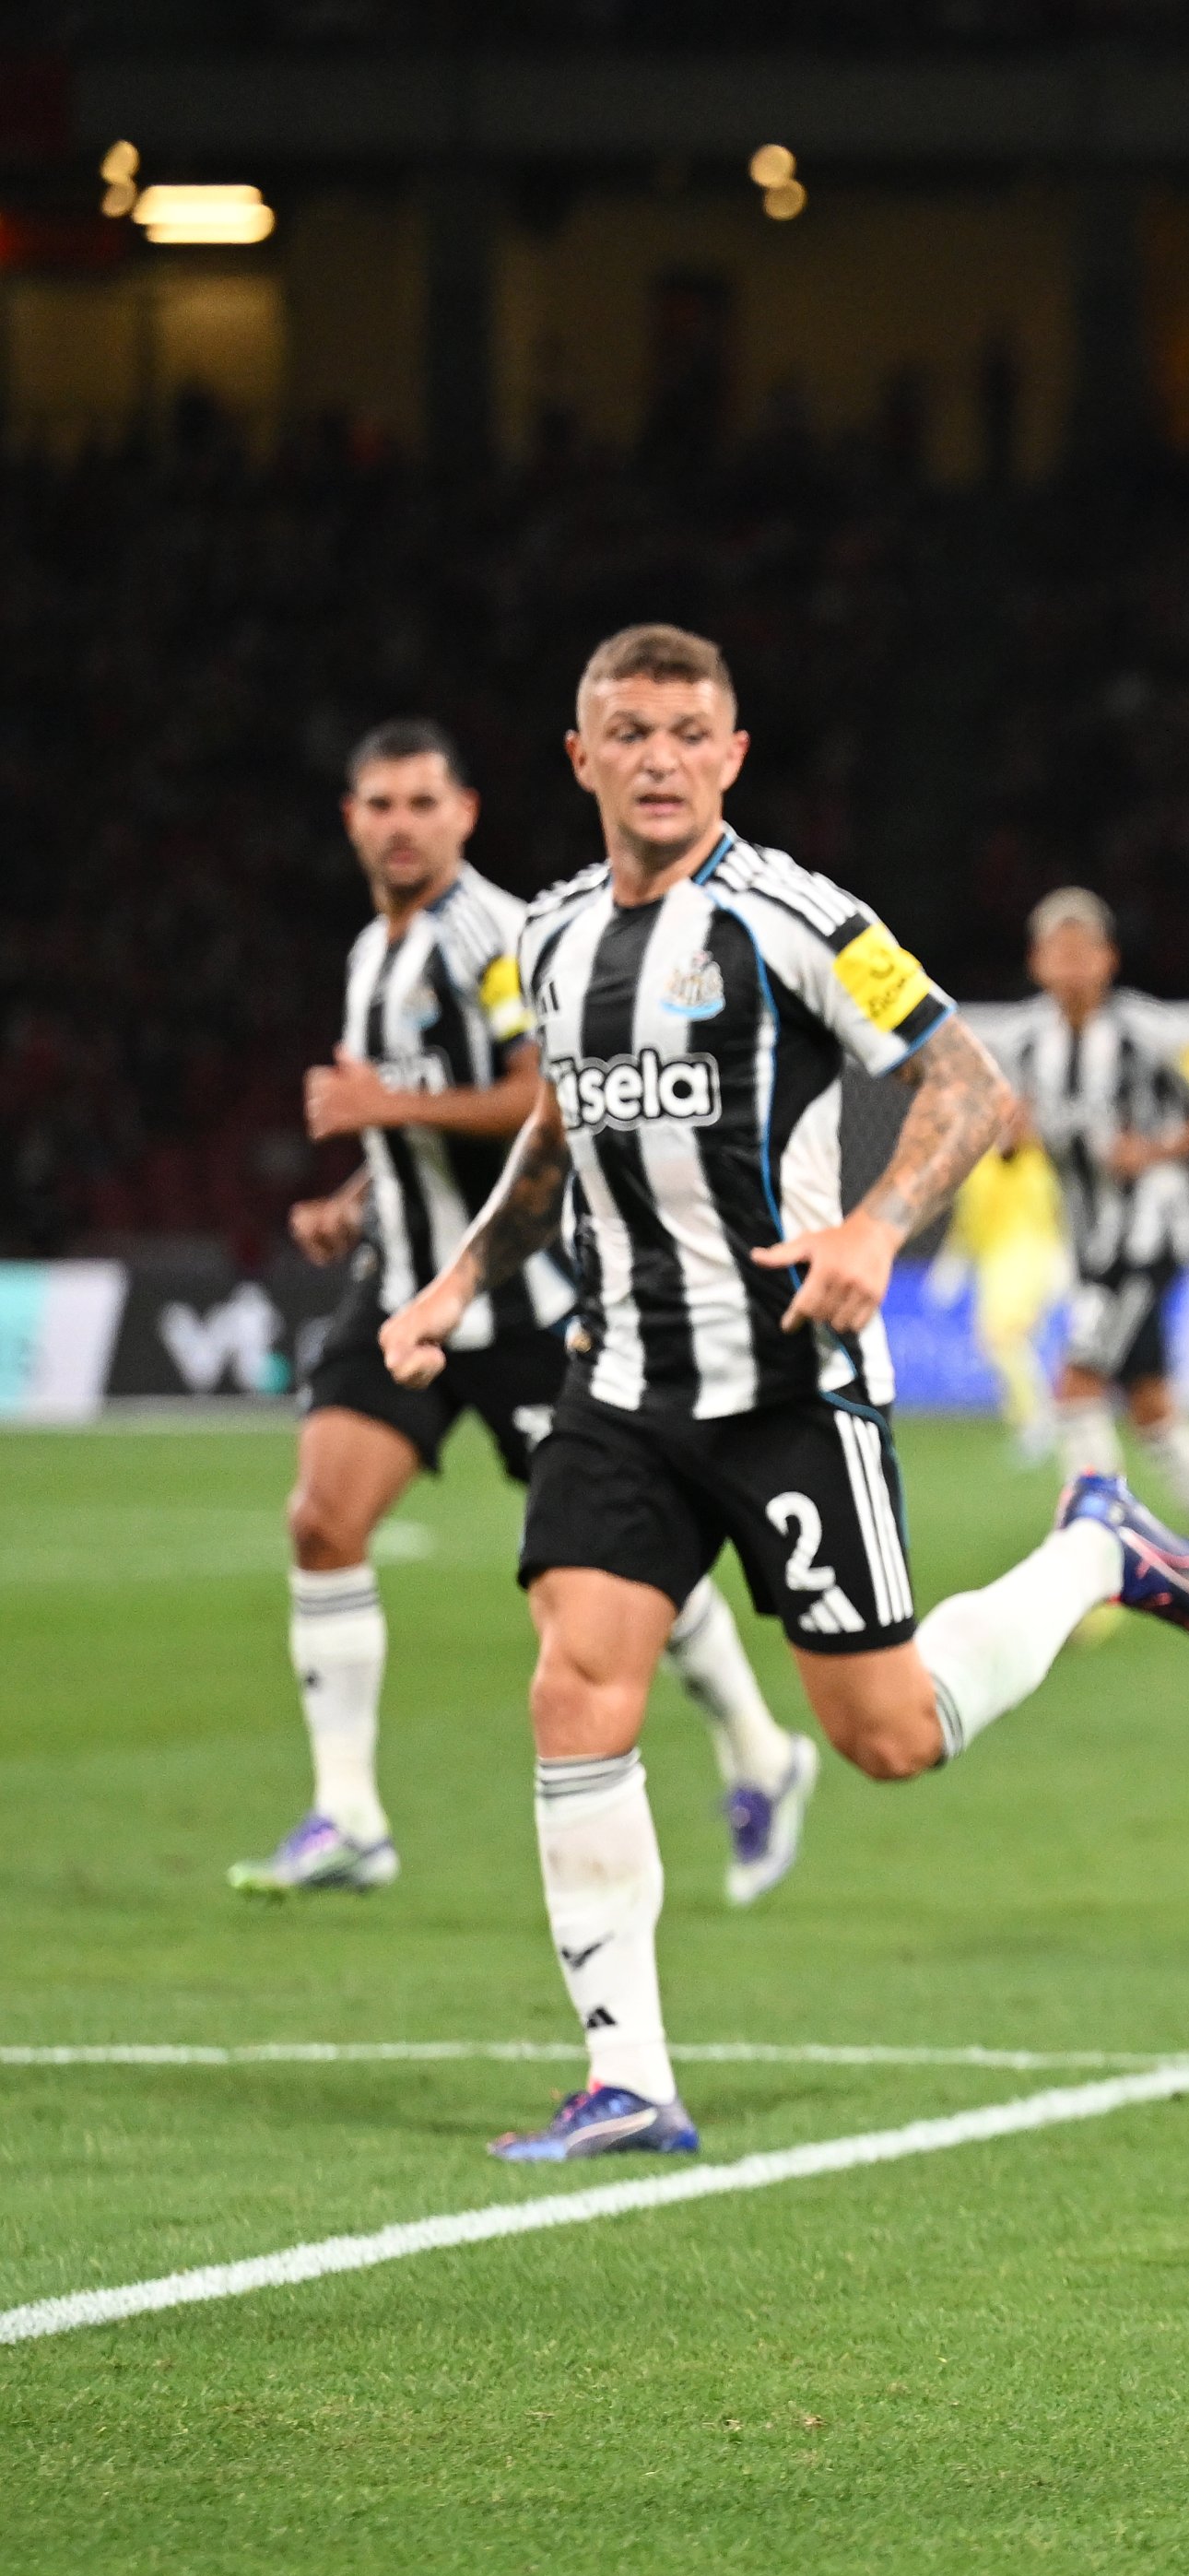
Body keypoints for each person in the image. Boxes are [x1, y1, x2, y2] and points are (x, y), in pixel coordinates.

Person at [377, 624, 1189, 2163]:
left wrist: (874, 1229)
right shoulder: (556, 938)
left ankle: (1099, 1547)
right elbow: (563, 1133)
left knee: (888, 1735)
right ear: (579, 760)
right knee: (576, 1685)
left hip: (791, 1385)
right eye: (628, 733)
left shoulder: (801, 919)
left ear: (733, 757)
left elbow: (971, 1084)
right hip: (622, 1380)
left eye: (688, 733)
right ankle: (628, 2076)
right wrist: (458, 1284)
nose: (659, 758)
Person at [235, 720, 819, 1912]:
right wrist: (357, 1197)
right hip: (400, 1289)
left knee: (618, 1559)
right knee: (320, 1522)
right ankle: (349, 1814)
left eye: (421, 804)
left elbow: (536, 1105)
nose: (401, 825)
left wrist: (381, 1103)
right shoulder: (372, 951)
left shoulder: (497, 938)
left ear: (465, 814)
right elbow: (416, 1124)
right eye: (379, 805)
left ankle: (763, 1750)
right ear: (353, 821)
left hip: (520, 1303)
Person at [977, 887, 1189, 1618]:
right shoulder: (1021, 1044)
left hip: (1147, 1240)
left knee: (1076, 1389)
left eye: (1082, 950)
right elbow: (1005, 1144)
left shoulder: (1153, 1033)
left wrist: (1158, 1148)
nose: (1069, 964)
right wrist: (1009, 1139)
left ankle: (1095, 1575)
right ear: (1036, 962)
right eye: (1055, 951)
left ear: (1108, 959)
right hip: (1089, 1246)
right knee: (1154, 1412)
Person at [926, 1135, 1071, 1462]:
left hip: (1026, 1258)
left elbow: (1054, 1213)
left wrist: (1060, 1257)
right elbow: (968, 1223)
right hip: (995, 1262)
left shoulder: (1032, 1161)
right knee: (1004, 1342)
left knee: (1001, 1339)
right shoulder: (980, 1169)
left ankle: (1038, 1420)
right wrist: (953, 1263)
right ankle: (1035, 1418)